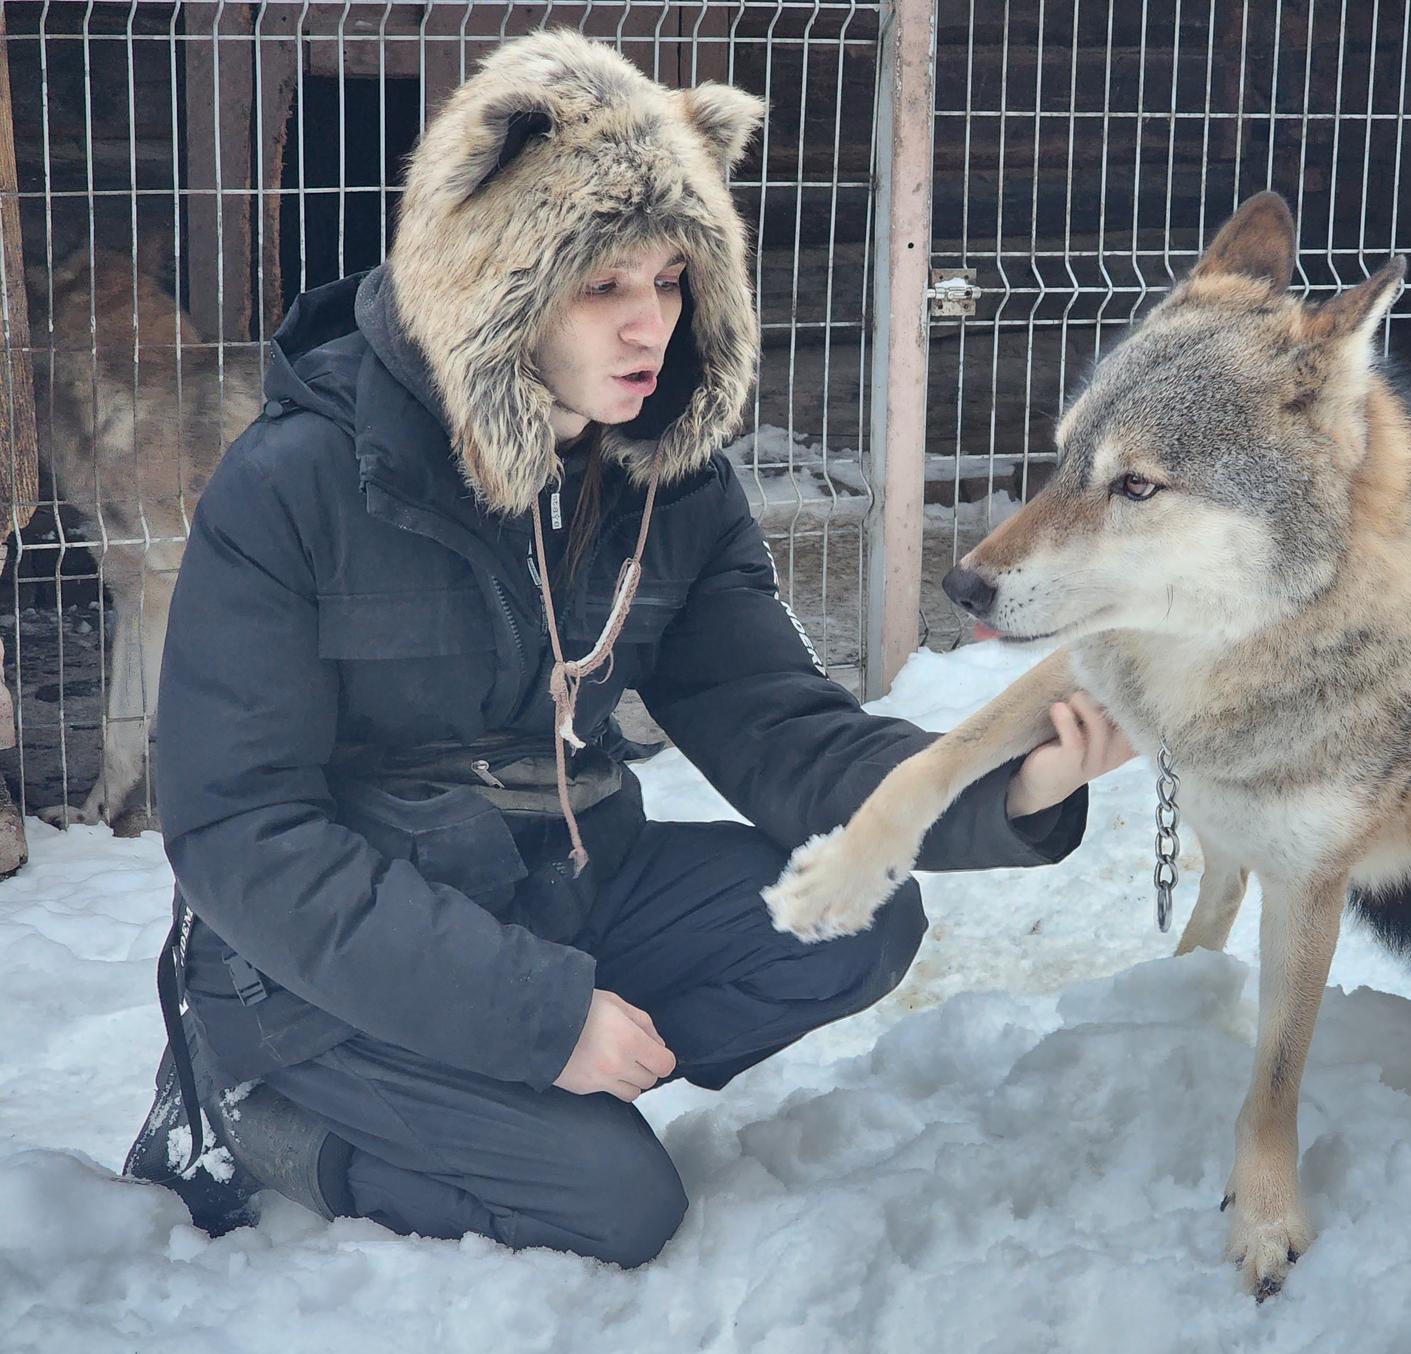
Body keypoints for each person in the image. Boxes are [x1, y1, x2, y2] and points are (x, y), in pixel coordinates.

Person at [119, 29, 1131, 1267]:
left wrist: (1011, 783)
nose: (649, 326)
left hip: (557, 885)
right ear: (494, 276)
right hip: (311, 979)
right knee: (618, 1206)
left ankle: (497, 1100)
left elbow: (779, 727)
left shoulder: (664, 475)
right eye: (603, 288)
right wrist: (540, 1020)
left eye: (669, 280)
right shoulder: (299, 480)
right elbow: (240, 836)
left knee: (859, 919)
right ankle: (259, 1122)